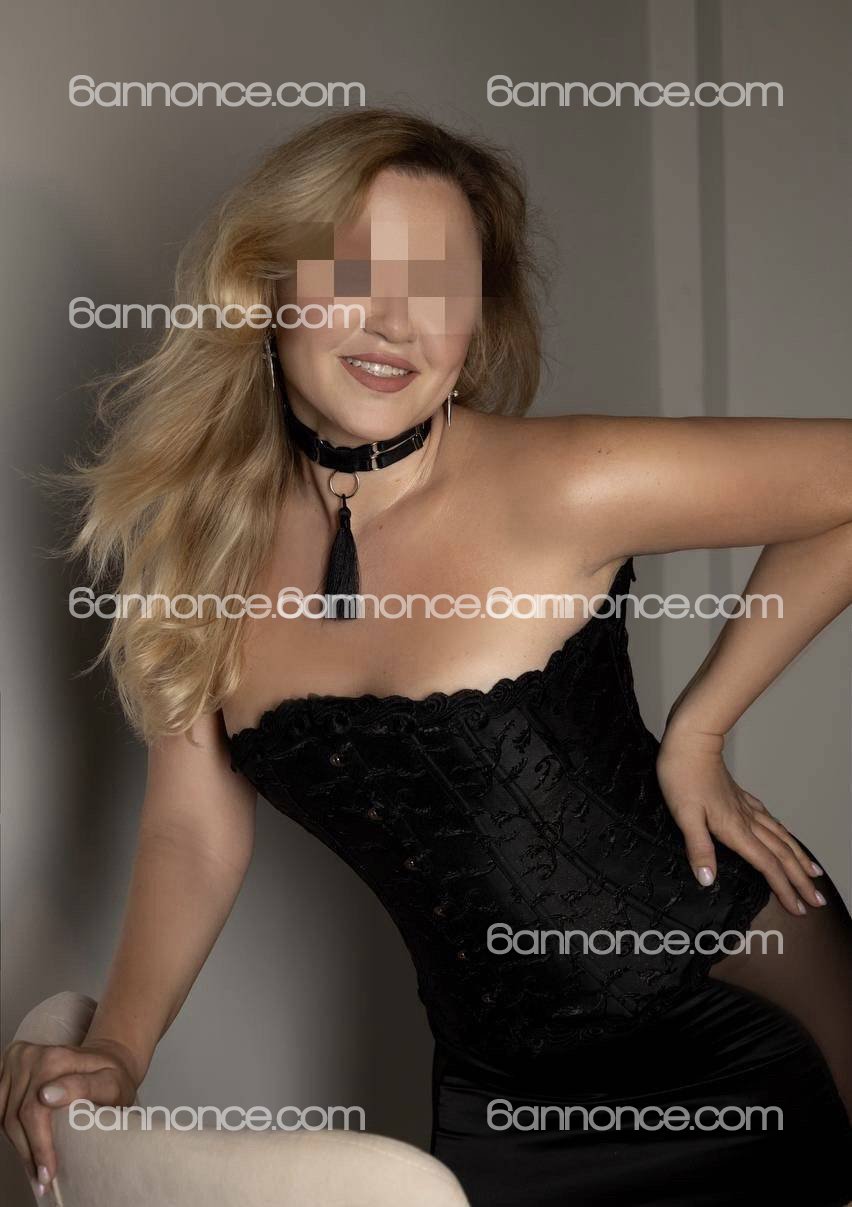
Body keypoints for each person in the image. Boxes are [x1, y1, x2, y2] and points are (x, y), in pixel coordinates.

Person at [3, 108, 851, 1206]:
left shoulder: (564, 481)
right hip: (500, 1102)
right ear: (269, 284)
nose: (396, 322)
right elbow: (192, 828)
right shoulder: (196, 547)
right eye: (355, 270)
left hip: (743, 1024)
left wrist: (702, 727)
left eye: (441, 284)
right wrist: (120, 1048)